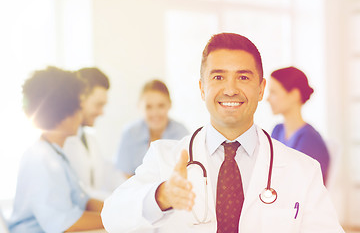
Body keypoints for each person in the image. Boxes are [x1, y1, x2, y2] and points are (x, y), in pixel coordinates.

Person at [101, 33, 344, 232]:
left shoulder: (302, 169)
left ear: (261, 89)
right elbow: (112, 217)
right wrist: (161, 196)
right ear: (202, 88)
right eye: (218, 77)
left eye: (243, 77)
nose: (230, 89)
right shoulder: (164, 157)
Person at [8, 66, 104, 232]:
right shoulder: (40, 159)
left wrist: (125, 210)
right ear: (64, 112)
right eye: (79, 105)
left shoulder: (56, 154)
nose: (82, 111)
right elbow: (65, 223)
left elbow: (83, 200)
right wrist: (117, 220)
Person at [63, 67, 124, 199]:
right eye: (98, 105)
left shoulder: (90, 140)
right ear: (80, 99)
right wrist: (119, 201)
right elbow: (78, 193)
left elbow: (110, 175)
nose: (102, 112)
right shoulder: (62, 141)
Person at [267, 66, 330, 184]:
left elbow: (300, 185)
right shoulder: (277, 130)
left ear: (294, 95)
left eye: (273, 92)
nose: (268, 99)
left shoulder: (310, 140)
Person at [114, 79, 189, 178]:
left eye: (161, 106)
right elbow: (125, 175)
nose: (155, 113)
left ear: (169, 104)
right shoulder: (130, 133)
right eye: (148, 107)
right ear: (139, 106)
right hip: (137, 191)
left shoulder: (181, 133)